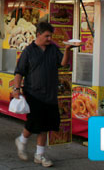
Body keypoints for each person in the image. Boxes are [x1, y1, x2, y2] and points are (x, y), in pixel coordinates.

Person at [12, 22, 74, 167]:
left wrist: (67, 50)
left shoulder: (53, 49)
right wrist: (16, 88)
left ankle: (39, 155)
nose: (49, 38)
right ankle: (22, 140)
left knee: (45, 126)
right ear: (38, 35)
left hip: (51, 94)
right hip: (33, 93)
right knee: (35, 122)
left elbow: (63, 63)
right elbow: (19, 71)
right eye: (46, 36)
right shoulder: (28, 51)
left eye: (50, 36)